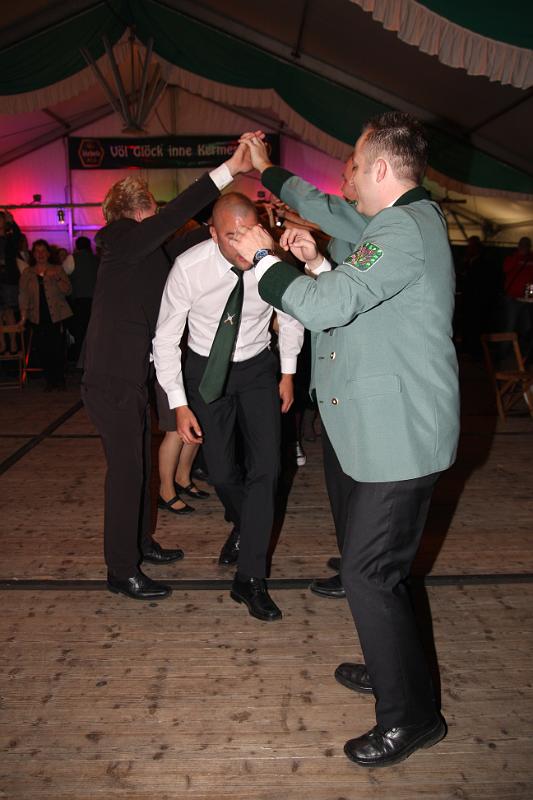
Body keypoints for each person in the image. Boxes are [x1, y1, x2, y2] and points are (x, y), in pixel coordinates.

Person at [233, 112, 460, 766]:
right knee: (376, 571)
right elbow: (329, 220)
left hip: (399, 435)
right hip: (378, 427)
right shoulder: (400, 221)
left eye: (356, 165)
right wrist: (273, 182)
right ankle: (394, 671)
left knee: (368, 574)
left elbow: (329, 306)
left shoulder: (402, 228)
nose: (347, 176)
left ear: (381, 169)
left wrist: (264, 260)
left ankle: (411, 718)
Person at [81, 139, 257, 602]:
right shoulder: (122, 240)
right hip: (111, 380)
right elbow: (176, 217)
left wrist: (231, 230)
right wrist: (228, 170)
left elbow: (187, 243)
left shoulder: (142, 254)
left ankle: (139, 543)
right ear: (142, 211)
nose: (160, 217)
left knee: (138, 468)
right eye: (155, 211)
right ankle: (121, 570)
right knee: (126, 474)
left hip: (129, 379)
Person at [153, 192, 304, 622]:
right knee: (220, 472)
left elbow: (291, 317)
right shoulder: (189, 268)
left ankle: (250, 578)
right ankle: (245, 523)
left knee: (267, 470)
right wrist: (179, 404)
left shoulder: (270, 260)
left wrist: (287, 372)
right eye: (231, 237)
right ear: (212, 233)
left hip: (258, 368)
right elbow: (165, 339)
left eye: (249, 233)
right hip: (206, 370)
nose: (243, 246)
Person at [248, 150, 370, 598]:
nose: (344, 182)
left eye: (349, 173)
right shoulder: (356, 231)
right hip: (337, 379)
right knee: (340, 481)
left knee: (355, 484)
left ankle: (360, 567)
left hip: (357, 380)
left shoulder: (375, 226)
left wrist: (266, 169)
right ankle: (355, 557)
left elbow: (323, 209)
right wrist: (314, 252)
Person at [19, 239, 72, 390]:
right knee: (42, 349)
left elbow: (68, 290)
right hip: (36, 316)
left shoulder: (57, 269)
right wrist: (23, 317)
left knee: (57, 348)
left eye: (43, 251)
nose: (40, 254)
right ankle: (49, 380)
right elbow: (23, 296)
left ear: (48, 253)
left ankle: (59, 379)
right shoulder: (27, 273)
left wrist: (57, 277)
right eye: (37, 251)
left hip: (56, 315)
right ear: (33, 254)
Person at [63, 236, 99, 361]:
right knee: (92, 331)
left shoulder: (72, 258)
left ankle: (80, 358)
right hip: (95, 301)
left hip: (79, 300)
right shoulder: (97, 259)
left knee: (80, 331)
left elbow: (63, 274)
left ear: (77, 246)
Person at [502, 236, 533, 359]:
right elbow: (505, 269)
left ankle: (523, 356)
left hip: (528, 300)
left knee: (527, 328)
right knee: (509, 327)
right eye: (523, 245)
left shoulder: (531, 259)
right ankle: (503, 355)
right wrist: (518, 256)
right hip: (512, 299)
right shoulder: (512, 258)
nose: (525, 247)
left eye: (527, 245)